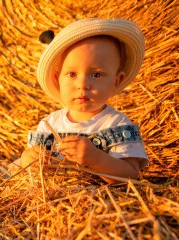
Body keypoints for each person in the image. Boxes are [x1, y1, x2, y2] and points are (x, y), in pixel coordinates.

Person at [21, 18, 149, 183]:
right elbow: (27, 166)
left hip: (99, 204)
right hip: (54, 203)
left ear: (116, 81)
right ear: (57, 79)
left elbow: (130, 175)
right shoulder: (49, 124)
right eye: (72, 74)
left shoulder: (117, 125)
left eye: (96, 75)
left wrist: (96, 159)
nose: (82, 85)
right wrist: (29, 160)